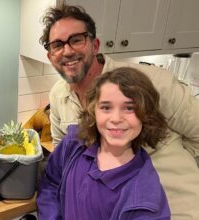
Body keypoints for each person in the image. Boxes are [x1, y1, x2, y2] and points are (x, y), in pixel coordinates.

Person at [40, 4, 199, 219]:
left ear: (94, 45)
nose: (67, 51)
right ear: (50, 56)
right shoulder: (58, 95)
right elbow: (61, 162)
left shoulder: (153, 82)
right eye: (57, 45)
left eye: (76, 39)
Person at [37, 67, 171, 219]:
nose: (116, 118)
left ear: (146, 114)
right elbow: (51, 183)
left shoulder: (145, 201)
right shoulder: (74, 144)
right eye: (106, 107)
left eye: (129, 108)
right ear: (94, 110)